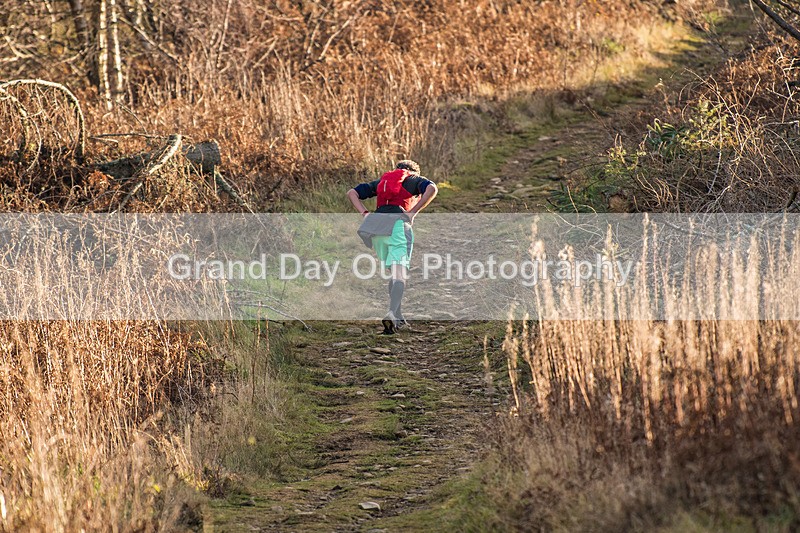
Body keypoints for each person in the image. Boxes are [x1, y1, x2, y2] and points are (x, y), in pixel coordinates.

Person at [347, 160, 438, 334]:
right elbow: (432, 189)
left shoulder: (382, 182)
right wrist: (412, 213)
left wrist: (365, 214)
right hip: (398, 228)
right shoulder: (412, 179)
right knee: (399, 274)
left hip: (377, 230)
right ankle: (391, 313)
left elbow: (352, 193)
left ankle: (398, 314)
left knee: (394, 274)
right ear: (413, 172)